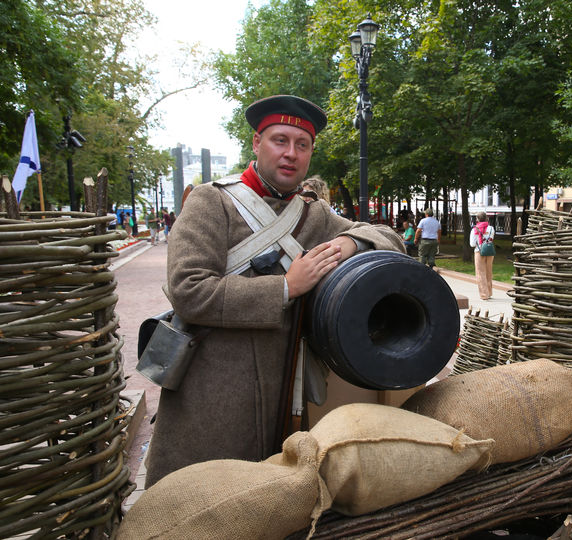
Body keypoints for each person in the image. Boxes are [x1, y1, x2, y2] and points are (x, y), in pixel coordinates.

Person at [145, 95, 404, 487]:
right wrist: (285, 287)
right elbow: (188, 290)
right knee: (190, 504)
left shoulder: (313, 215)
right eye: (279, 140)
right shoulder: (211, 201)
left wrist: (351, 243)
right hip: (210, 395)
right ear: (256, 143)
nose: (291, 154)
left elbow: (390, 237)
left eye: (302, 145)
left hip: (282, 393)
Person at [469, 212, 496, 300]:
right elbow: (491, 239)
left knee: (480, 273)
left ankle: (484, 294)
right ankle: (489, 292)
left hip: (479, 251)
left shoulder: (474, 230)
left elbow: (472, 244)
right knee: (489, 271)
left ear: (477, 219)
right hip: (489, 251)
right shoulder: (491, 228)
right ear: (486, 219)